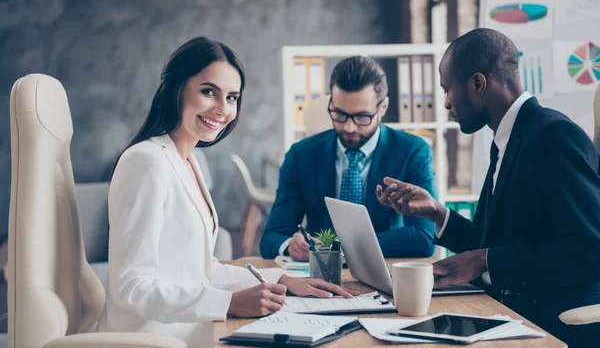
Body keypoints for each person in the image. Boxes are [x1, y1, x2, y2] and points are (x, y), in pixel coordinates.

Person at [99, 37, 357, 344]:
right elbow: (132, 286)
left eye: (232, 98)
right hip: (155, 338)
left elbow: (199, 270)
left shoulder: (187, 160)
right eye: (209, 92)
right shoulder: (146, 161)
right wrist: (230, 303)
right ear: (177, 87)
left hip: (192, 327)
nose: (222, 109)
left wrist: (283, 280)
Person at [376, 28, 600, 347]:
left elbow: (592, 251)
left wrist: (485, 261)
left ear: (478, 84)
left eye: (447, 89)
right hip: (508, 313)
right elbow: (493, 242)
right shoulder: (508, 139)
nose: (445, 103)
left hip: (552, 323)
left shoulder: (553, 136)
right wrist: (439, 215)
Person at [260, 56, 437, 261]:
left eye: (362, 117)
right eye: (339, 114)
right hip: (318, 277)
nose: (349, 127)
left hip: (383, 271)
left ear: (383, 107)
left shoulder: (412, 152)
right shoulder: (301, 155)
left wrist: (346, 248)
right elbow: (271, 238)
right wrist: (290, 246)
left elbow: (424, 237)